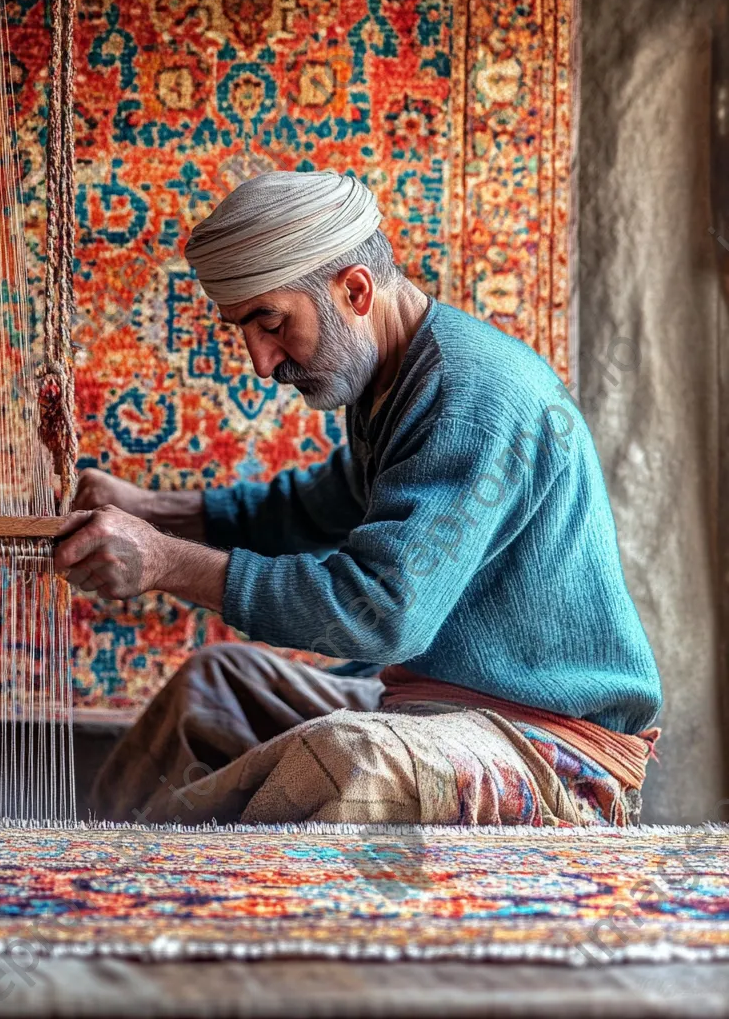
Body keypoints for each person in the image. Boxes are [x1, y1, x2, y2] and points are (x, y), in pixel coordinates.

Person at [54, 169, 662, 828]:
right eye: (245, 332)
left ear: (354, 290)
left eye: (271, 322)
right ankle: (108, 860)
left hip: (549, 745)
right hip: (436, 707)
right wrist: (150, 509)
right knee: (216, 684)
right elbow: (316, 507)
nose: (262, 361)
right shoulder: (395, 380)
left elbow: (380, 615)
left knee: (351, 759)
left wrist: (166, 563)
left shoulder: (469, 402)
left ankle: (155, 860)